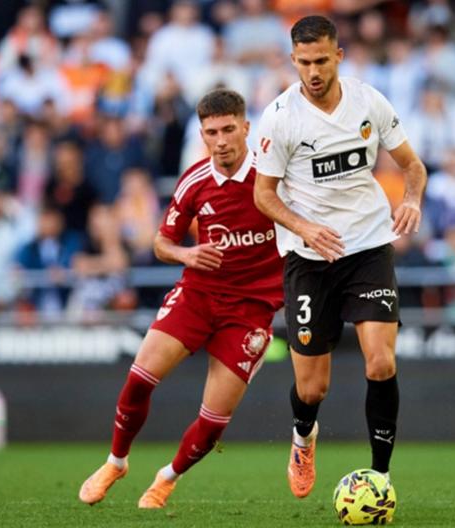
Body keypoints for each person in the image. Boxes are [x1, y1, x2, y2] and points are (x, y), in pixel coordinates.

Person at [79, 89, 284, 509]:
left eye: (228, 129)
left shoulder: (273, 177)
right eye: (212, 132)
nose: (221, 141)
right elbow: (161, 242)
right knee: (139, 379)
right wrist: (186, 254)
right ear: (202, 135)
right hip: (199, 294)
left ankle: (167, 478)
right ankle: (116, 462)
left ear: (246, 128)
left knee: (213, 421)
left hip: (251, 309)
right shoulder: (194, 180)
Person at [253, 16, 427, 499]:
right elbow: (263, 195)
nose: (313, 72)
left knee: (381, 362)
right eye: (304, 62)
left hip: (368, 247)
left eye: (322, 61)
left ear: (338, 57)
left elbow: (412, 165)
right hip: (309, 257)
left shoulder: (368, 101)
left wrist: (412, 199)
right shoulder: (280, 117)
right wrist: (305, 227)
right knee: (313, 389)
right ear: (294, 60)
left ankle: (380, 477)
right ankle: (303, 438)